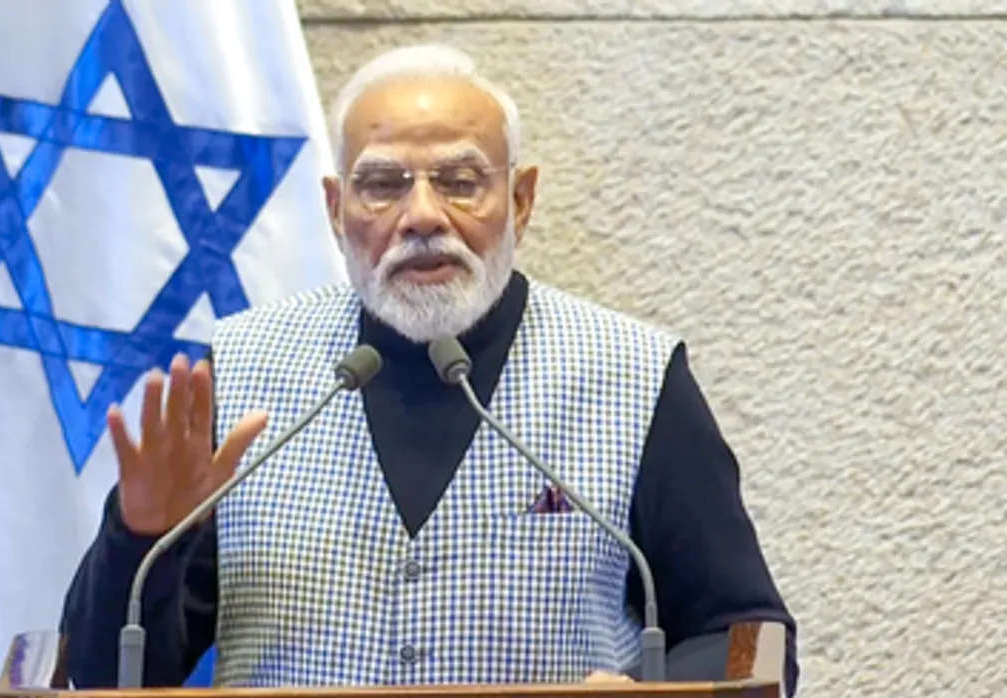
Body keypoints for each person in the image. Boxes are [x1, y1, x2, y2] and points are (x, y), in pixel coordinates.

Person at [58, 43, 799, 694]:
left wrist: (643, 692)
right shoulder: (245, 373)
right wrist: (139, 536)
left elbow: (748, 639)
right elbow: (107, 675)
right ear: (334, 206)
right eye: (382, 184)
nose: (421, 215)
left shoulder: (634, 376)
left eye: (459, 179)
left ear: (521, 198)